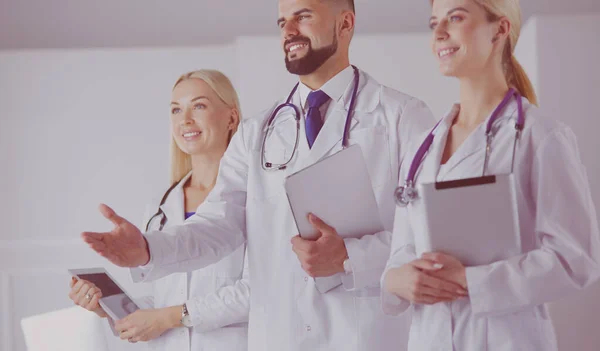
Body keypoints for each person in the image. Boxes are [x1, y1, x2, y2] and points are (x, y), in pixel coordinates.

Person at [81, 0, 435, 350]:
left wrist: (349, 257)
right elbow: (217, 225)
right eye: (282, 22)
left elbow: (427, 236)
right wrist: (147, 249)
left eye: (303, 16)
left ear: (345, 24)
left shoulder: (402, 117)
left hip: (363, 336)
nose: (289, 31)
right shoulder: (258, 132)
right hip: (279, 336)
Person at [382, 0, 600, 350]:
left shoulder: (541, 136)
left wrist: (470, 281)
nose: (438, 33)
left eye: (455, 18)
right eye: (434, 22)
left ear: (499, 29)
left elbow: (575, 258)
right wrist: (396, 279)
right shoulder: (424, 145)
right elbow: (403, 250)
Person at [70, 69, 249, 350]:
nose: (185, 120)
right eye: (176, 110)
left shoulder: (253, 198)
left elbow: (256, 293)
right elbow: (165, 300)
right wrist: (106, 307)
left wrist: (168, 318)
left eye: (199, 106)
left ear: (232, 117)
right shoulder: (160, 206)